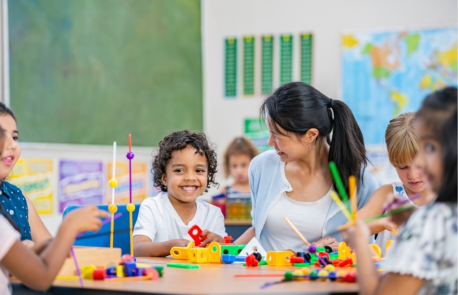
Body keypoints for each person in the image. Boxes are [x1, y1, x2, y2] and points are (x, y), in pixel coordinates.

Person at [235, 82, 378, 251]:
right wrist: (223, 249)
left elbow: (368, 250)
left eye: (277, 135)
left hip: (321, 277)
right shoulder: (261, 167)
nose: (270, 142)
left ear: (311, 135)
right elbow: (257, 231)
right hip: (264, 276)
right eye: (269, 133)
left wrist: (338, 249)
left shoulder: (360, 182)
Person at [345, 86, 457, 295]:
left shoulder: (430, 221)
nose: (414, 174)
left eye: (429, 148)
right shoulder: (444, 214)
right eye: (403, 166)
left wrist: (361, 243)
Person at [133, 130, 227, 257]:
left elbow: (225, 252)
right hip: (163, 276)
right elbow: (138, 249)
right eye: (179, 170)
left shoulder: (213, 214)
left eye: (199, 170)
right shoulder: (152, 207)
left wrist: (219, 242)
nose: (190, 177)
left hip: (202, 276)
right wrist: (170, 247)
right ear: (164, 178)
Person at [353, 113, 436, 254]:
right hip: (388, 274)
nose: (413, 175)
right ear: (392, 162)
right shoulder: (388, 195)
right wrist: (382, 224)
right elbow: (350, 229)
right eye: (403, 167)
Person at [0, 102, 51, 246]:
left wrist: (36, 250)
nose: (12, 145)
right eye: (2, 136)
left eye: (14, 137)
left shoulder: (20, 200)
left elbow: (52, 252)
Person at [219, 137, 259, 219]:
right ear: (228, 165)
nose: (239, 171)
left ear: (254, 163)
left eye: (244, 165)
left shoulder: (259, 189)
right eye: (234, 166)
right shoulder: (226, 191)